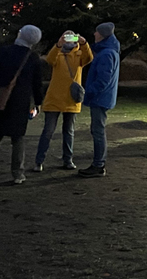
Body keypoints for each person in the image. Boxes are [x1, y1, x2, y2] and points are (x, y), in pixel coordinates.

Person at [0, 25, 45, 185]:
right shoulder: (33, 58)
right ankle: (18, 174)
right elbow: (37, 84)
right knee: (18, 138)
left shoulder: (5, 51)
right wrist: (39, 102)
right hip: (20, 101)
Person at [33, 30, 94, 172]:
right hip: (54, 98)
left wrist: (84, 43)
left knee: (69, 131)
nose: (69, 40)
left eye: (71, 37)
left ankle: (68, 159)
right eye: (66, 37)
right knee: (48, 131)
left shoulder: (79, 55)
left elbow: (89, 57)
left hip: (71, 99)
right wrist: (58, 45)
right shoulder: (58, 53)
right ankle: (39, 160)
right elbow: (49, 59)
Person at [79, 22, 120, 177]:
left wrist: (89, 91)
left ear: (102, 35)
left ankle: (98, 164)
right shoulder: (109, 51)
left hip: (100, 98)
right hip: (104, 97)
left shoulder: (106, 54)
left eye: (96, 33)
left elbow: (103, 79)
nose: (94, 35)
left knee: (98, 130)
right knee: (97, 129)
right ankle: (98, 163)